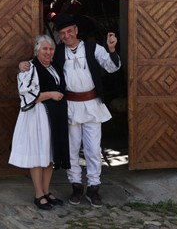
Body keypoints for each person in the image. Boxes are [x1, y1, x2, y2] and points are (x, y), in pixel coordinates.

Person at [19, 13, 121, 208]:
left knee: (92, 149)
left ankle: (93, 187)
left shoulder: (93, 48)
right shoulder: (57, 53)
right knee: (72, 149)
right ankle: (76, 187)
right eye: (62, 33)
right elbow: (40, 63)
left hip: (92, 105)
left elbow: (112, 67)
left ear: (76, 30)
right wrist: (21, 65)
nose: (66, 36)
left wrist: (112, 49)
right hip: (69, 107)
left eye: (69, 31)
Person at [9, 35, 70, 210]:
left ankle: (46, 190)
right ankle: (38, 194)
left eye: (51, 49)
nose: (48, 52)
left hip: (54, 116)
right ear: (37, 50)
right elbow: (26, 95)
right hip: (37, 116)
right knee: (38, 155)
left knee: (50, 155)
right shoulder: (29, 68)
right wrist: (50, 94)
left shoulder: (55, 66)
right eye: (44, 49)